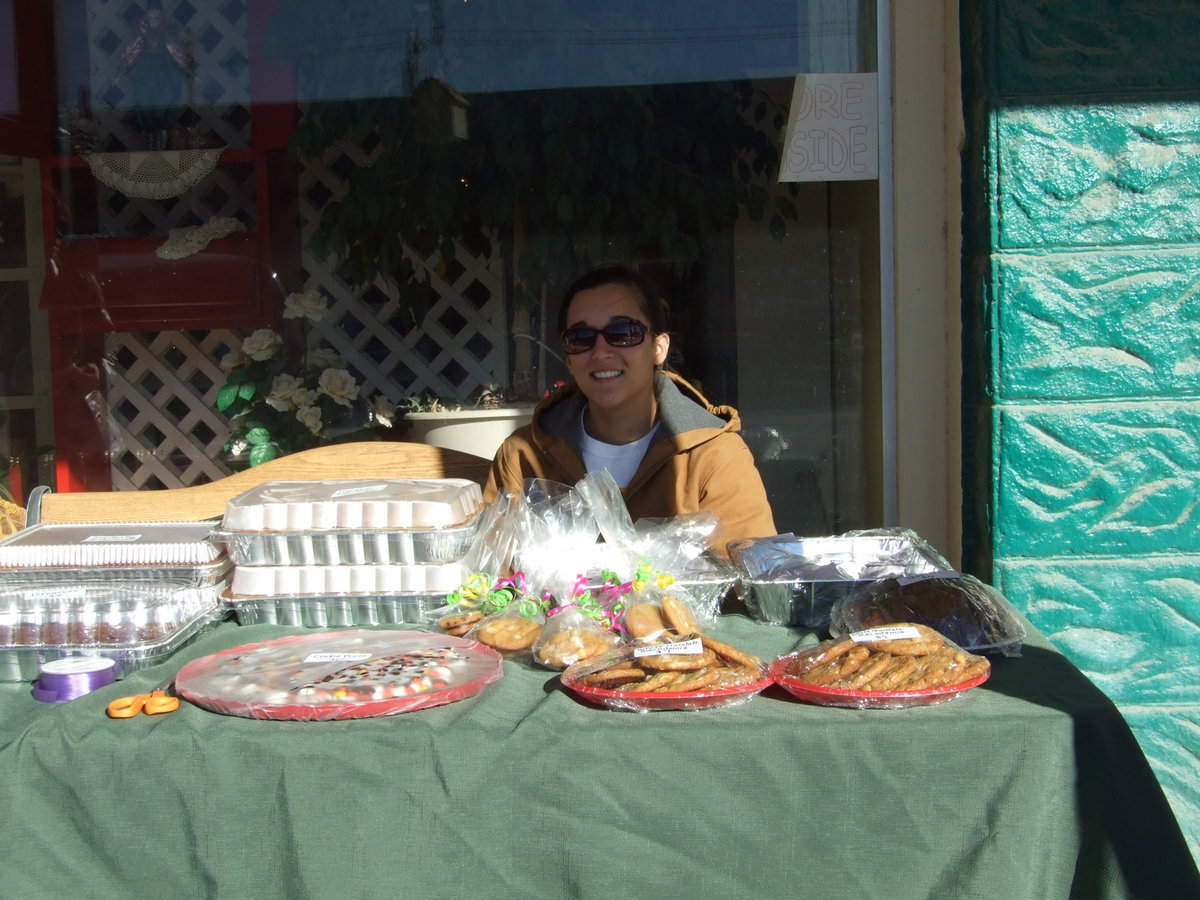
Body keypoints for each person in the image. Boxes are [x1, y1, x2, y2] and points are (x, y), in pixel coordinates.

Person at [483, 264, 776, 556]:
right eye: (581, 338)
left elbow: (748, 580)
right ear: (569, 359)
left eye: (623, 332)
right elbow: (491, 573)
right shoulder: (523, 457)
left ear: (659, 348)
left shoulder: (714, 456)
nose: (600, 352)